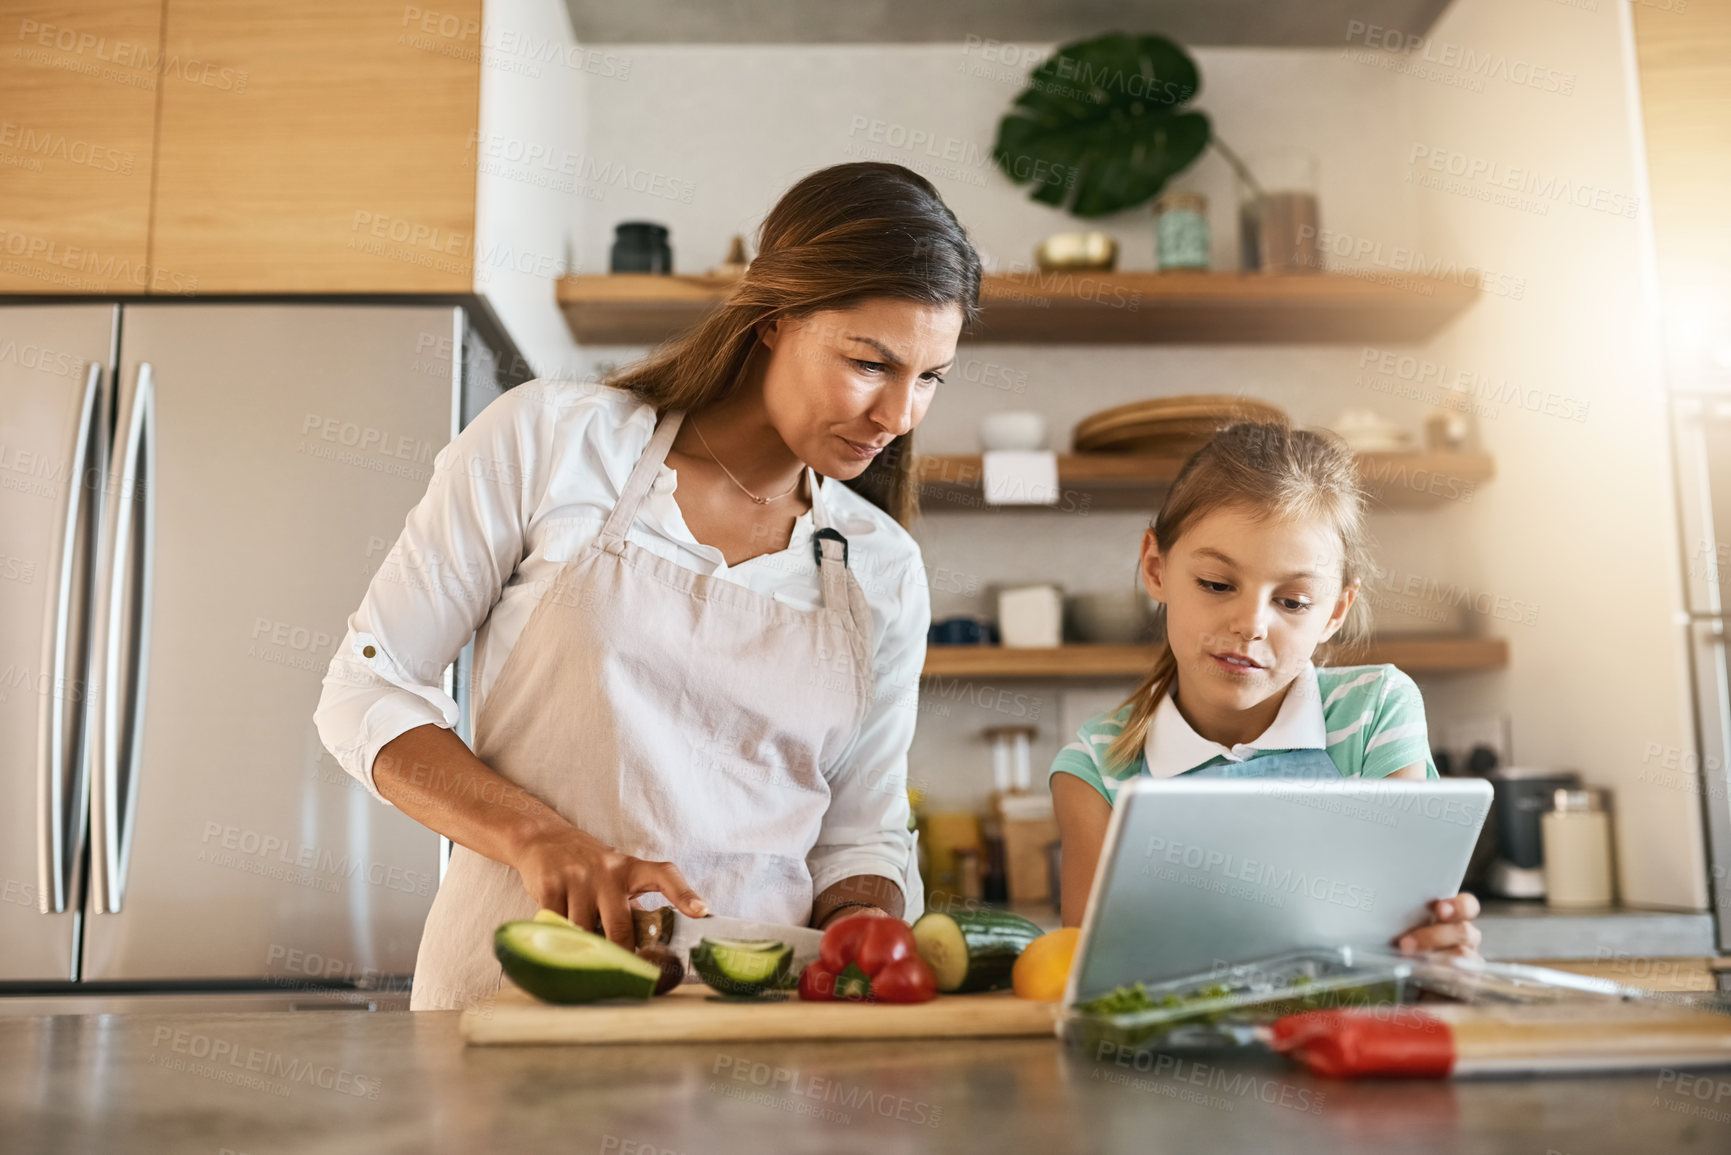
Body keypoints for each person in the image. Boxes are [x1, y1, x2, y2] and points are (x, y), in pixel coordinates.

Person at [314, 162, 981, 1010]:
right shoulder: (555, 440)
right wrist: (540, 838)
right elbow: (367, 691)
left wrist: (864, 939)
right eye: (867, 363)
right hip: (518, 994)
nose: (899, 415)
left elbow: (861, 829)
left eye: (929, 377)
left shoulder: (880, 564)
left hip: (762, 1026)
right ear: (772, 320)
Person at [1048, 422, 1483, 958]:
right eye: (1217, 584)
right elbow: (1094, 970)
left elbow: (1401, 945)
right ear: (1156, 568)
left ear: (1336, 612)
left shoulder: (1375, 712)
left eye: (1293, 601)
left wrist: (1435, 952)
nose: (1251, 624)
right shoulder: (1095, 767)